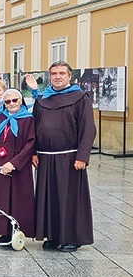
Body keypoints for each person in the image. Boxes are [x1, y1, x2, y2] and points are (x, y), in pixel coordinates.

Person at [33, 61, 96, 252]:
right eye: (54, 73)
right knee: (49, 198)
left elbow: (88, 128)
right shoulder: (42, 99)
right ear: (49, 76)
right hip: (45, 157)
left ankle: (70, 237)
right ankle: (52, 236)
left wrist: (82, 156)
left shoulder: (79, 97)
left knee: (69, 199)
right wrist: (33, 152)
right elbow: (33, 127)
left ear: (70, 76)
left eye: (62, 73)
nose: (57, 76)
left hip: (70, 158)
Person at [0, 89, 35, 241]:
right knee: (0, 198)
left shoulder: (28, 119)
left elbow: (30, 144)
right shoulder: (0, 118)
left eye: (14, 100)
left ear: (20, 100)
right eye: (7, 102)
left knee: (18, 199)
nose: (11, 104)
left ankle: (17, 231)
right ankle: (3, 232)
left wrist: (14, 163)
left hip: (18, 167)